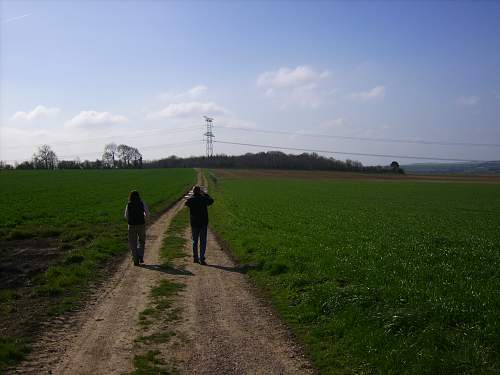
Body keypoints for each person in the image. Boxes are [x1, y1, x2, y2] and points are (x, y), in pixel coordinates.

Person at [185, 185, 214, 265]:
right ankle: (202, 258)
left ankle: (195, 258)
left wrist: (193, 195)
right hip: (203, 223)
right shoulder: (204, 199)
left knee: (195, 241)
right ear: (200, 191)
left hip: (194, 223)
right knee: (203, 241)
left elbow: (186, 202)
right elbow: (211, 200)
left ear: (193, 192)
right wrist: (205, 194)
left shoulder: (191, 200)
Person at [124, 190, 149, 266]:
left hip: (131, 226)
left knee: (133, 243)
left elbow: (126, 216)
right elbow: (147, 213)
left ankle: (135, 260)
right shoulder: (142, 203)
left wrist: (130, 220)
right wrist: (144, 218)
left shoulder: (128, 204)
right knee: (142, 241)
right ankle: (140, 255)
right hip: (141, 224)